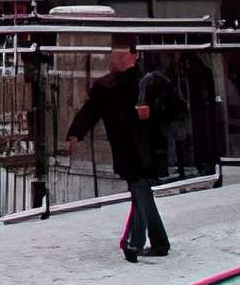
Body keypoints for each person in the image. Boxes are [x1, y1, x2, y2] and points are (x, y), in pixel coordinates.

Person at [64, 39, 189, 262]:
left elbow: (176, 109)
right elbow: (90, 111)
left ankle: (135, 242)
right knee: (141, 194)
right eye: (115, 55)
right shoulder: (105, 87)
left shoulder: (150, 82)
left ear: (135, 55)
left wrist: (153, 112)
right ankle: (157, 243)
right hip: (127, 148)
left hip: (148, 148)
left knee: (140, 192)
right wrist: (75, 133)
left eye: (123, 55)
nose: (118, 60)